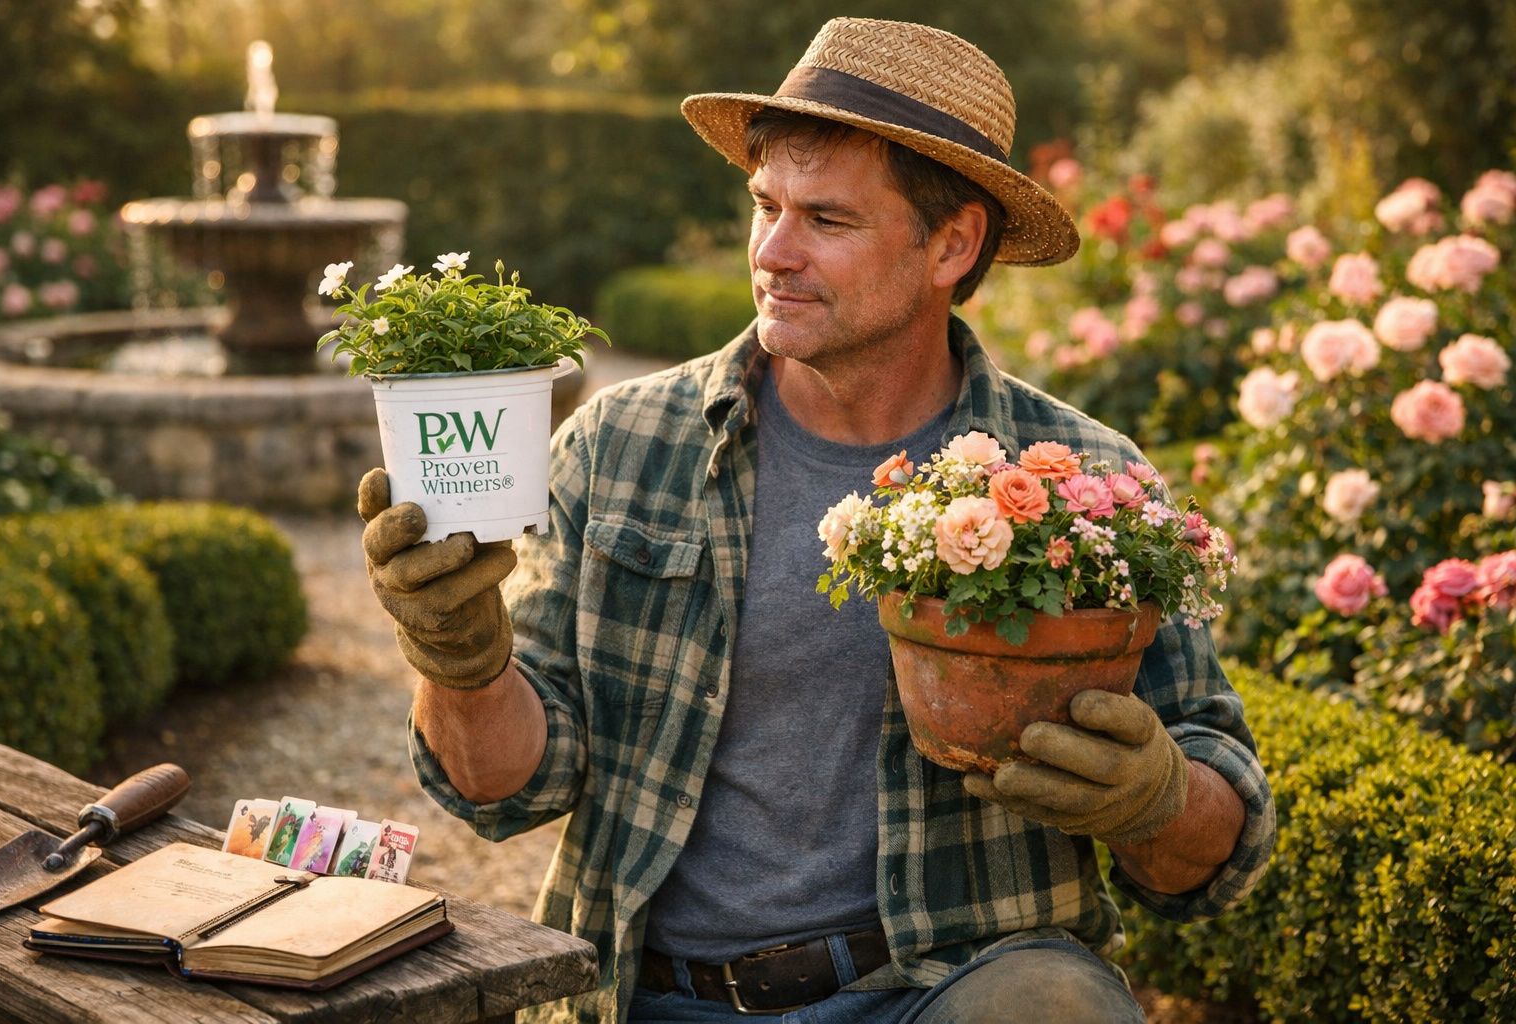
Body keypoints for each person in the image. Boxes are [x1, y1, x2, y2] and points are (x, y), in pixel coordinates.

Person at [357, 18, 1275, 1024]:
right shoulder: (624, 445)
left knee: (1057, 1007)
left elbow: (1218, 843)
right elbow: (506, 792)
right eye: (765, 206)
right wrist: (460, 658)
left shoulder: (1087, 486)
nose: (773, 252)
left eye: (827, 221)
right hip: (653, 995)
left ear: (953, 244)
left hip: (938, 988)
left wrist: (1154, 799)